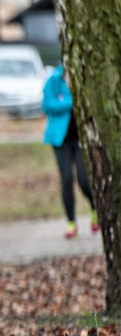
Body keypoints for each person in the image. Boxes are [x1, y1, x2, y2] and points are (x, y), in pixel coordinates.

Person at [41, 64, 98, 239]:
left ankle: (96, 210)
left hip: (80, 138)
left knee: (84, 180)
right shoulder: (54, 79)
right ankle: (71, 223)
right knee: (66, 179)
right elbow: (47, 105)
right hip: (60, 140)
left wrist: (64, 101)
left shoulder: (83, 74)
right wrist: (72, 101)